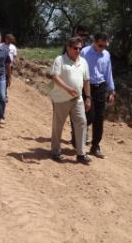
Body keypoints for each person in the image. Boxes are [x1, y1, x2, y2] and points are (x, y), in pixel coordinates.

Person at [49, 36, 92, 165]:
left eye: (80, 48)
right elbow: (55, 77)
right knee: (58, 125)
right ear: (68, 47)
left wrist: (88, 98)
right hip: (61, 99)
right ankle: (56, 151)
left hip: (77, 99)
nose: (78, 50)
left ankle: (80, 153)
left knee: (82, 123)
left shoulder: (83, 62)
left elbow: (86, 81)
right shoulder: (60, 60)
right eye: (75, 48)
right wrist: (67, 88)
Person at [80, 33, 115, 159]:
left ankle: (95, 146)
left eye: (105, 46)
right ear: (94, 42)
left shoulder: (106, 54)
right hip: (86, 86)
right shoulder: (84, 52)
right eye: (100, 45)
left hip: (100, 87)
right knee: (89, 116)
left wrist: (111, 90)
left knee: (99, 118)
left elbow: (108, 72)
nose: (102, 48)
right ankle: (77, 137)